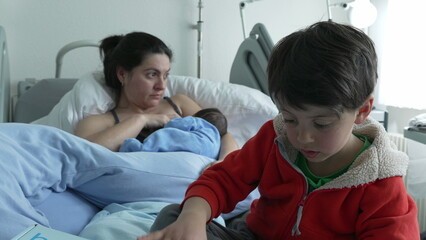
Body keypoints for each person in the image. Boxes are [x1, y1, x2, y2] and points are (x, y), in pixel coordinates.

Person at [138, 21, 420, 240]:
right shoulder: (275, 138)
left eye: (321, 124)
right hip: (252, 235)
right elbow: (222, 179)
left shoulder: (381, 182)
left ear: (362, 111)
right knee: (174, 218)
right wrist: (193, 218)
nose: (302, 137)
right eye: (291, 118)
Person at [74, 32, 237, 160]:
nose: (162, 85)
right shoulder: (101, 122)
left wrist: (223, 164)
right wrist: (141, 120)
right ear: (122, 74)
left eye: (165, 75)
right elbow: (81, 154)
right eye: (152, 74)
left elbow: (221, 134)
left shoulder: (179, 103)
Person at [119, 108, 227, 160]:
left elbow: (175, 124)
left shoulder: (199, 122)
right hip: (194, 158)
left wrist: (171, 121)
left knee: (163, 140)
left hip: (182, 145)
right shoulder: (216, 144)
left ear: (196, 116)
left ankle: (135, 147)